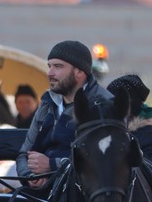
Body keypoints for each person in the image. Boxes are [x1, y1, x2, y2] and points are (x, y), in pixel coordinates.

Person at [16, 40, 114, 188]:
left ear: (80, 72)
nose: (50, 73)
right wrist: (29, 176)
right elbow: (24, 153)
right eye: (49, 66)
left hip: (81, 196)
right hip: (44, 190)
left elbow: (101, 158)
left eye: (58, 67)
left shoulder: (102, 105)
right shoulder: (47, 103)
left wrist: (51, 165)